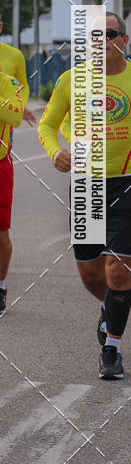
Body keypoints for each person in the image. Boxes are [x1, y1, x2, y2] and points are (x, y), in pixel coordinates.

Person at [38, 12, 131, 379]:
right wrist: (55, 151)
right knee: (90, 272)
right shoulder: (72, 80)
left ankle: (112, 349)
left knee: (118, 267)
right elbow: (48, 124)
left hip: (128, 183)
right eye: (93, 36)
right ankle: (109, 307)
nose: (100, 41)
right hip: (86, 183)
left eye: (109, 34)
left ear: (124, 39)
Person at [0, 70, 25, 313]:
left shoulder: (7, 82)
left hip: (0, 165)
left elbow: (15, 116)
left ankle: (1, 285)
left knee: (1, 232)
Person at [0, 14, 36, 127]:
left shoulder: (15, 55)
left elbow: (23, 86)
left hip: (4, 127)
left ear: (0, 27)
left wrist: (19, 106)